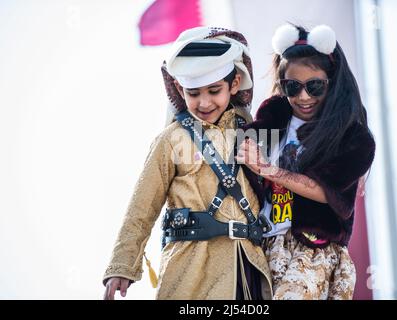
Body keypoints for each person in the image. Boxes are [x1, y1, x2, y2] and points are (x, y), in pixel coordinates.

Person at [102, 26, 272, 300]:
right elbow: (142, 206)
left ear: (235, 83)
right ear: (180, 90)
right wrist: (122, 265)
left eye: (214, 90)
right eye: (193, 93)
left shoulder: (252, 133)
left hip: (249, 272)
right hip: (191, 274)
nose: (204, 102)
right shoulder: (170, 139)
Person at [236, 24, 376, 300]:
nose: (304, 97)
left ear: (332, 82)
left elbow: (324, 190)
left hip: (313, 249)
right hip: (260, 245)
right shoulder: (271, 119)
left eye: (314, 86)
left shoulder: (354, 137)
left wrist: (269, 170)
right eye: (292, 87)